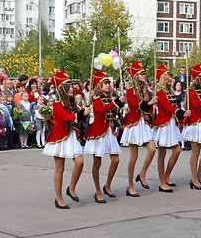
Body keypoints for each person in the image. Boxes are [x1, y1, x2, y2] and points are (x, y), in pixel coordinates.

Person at [43, 71, 90, 209]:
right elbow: (66, 117)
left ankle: (71, 188)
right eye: (68, 86)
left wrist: (84, 115)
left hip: (71, 135)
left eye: (72, 86)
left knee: (80, 162)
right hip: (60, 137)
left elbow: (75, 119)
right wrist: (80, 113)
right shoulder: (57, 104)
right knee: (60, 169)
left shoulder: (72, 103)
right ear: (61, 88)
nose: (72, 88)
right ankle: (59, 198)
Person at [84, 70, 125, 203]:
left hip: (109, 130)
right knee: (97, 162)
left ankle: (107, 185)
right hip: (98, 130)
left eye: (109, 83)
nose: (108, 85)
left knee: (116, 160)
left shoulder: (110, 98)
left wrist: (119, 104)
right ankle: (98, 190)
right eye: (105, 83)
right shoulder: (96, 98)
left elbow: (111, 113)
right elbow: (101, 110)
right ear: (99, 86)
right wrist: (115, 102)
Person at [121, 62, 157, 197]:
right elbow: (135, 104)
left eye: (144, 73)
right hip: (134, 123)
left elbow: (148, 106)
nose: (144, 75)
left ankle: (142, 174)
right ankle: (130, 185)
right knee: (134, 156)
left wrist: (151, 105)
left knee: (152, 149)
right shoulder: (130, 89)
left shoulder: (146, 89)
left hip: (144, 122)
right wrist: (148, 103)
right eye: (141, 73)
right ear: (136, 75)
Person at [153, 65, 190, 192]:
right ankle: (161, 181)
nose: (170, 79)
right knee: (162, 153)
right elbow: (168, 107)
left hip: (171, 122)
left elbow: (173, 105)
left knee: (177, 150)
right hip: (163, 123)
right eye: (168, 77)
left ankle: (167, 175)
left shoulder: (170, 91)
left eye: (170, 77)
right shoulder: (160, 92)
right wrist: (181, 113)